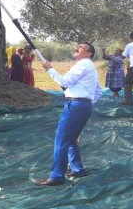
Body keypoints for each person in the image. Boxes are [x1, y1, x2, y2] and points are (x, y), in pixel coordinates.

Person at [34, 43, 102, 186]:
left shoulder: (82, 65)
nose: (77, 47)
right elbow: (98, 92)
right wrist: (86, 103)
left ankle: (57, 176)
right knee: (71, 140)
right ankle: (78, 170)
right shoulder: (90, 67)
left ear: (89, 53)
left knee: (61, 140)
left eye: (81, 47)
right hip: (83, 106)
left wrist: (50, 69)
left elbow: (64, 81)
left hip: (75, 105)